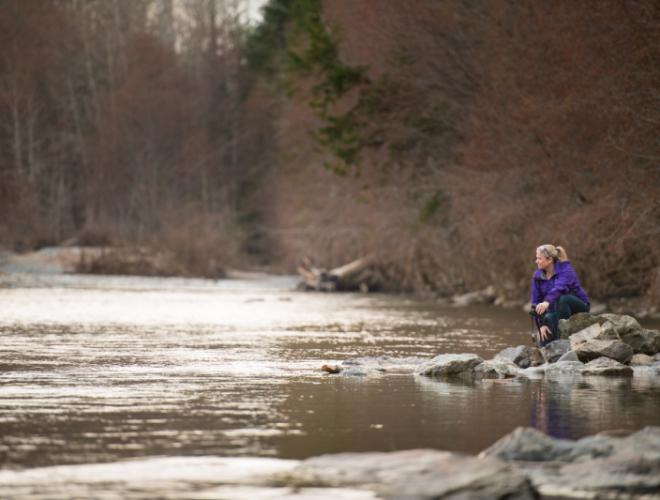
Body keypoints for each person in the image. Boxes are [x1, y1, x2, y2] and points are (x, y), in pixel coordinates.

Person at [530, 244, 590, 347]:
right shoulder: (537, 276)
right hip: (556, 311)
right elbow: (535, 302)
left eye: (539, 258)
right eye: (537, 258)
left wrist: (546, 302)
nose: (536, 261)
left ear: (549, 260)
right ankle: (554, 347)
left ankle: (564, 339)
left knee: (562, 299)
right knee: (545, 337)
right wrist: (542, 325)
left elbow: (559, 288)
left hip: (578, 306)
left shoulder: (566, 270)